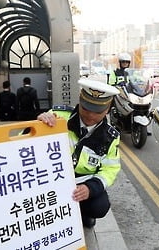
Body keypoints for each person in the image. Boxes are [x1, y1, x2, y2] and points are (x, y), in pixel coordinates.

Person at [37, 79, 121, 228]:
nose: (90, 115)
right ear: (80, 100)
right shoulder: (58, 116)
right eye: (86, 108)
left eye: (97, 111)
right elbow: (27, 143)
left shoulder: (110, 137)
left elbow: (111, 169)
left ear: (107, 109)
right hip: (51, 178)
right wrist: (38, 123)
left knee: (99, 207)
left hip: (82, 182)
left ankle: (84, 213)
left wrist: (91, 188)